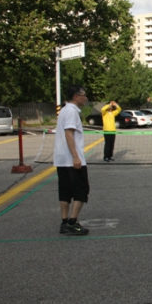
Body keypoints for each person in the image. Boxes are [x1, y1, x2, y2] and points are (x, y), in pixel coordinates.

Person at [54, 85, 90, 235]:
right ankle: (72, 222)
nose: (86, 98)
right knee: (81, 191)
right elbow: (69, 134)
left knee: (65, 191)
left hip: (62, 159)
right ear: (76, 97)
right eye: (84, 95)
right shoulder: (71, 112)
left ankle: (64, 222)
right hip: (71, 160)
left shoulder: (64, 110)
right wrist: (76, 157)